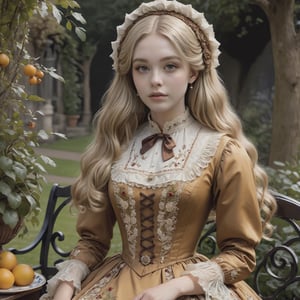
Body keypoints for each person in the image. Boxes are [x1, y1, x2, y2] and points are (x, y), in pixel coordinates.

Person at [40, 0, 277, 299]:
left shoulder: (222, 151)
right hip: (115, 283)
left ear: (193, 72)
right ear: (131, 74)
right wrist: (66, 284)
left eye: (170, 66)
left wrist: (173, 288)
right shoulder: (117, 143)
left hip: (186, 288)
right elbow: (92, 242)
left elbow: (240, 255)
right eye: (142, 68)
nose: (155, 80)